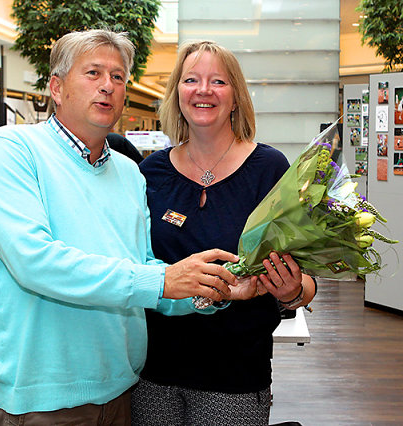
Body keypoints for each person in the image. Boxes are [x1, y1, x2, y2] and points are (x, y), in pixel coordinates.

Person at [0, 29, 240, 425]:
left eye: (118, 77)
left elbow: (145, 270)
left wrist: (215, 289)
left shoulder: (130, 173)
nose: (107, 86)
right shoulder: (12, 150)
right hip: (45, 398)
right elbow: (36, 262)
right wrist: (164, 280)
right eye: (93, 73)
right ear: (57, 88)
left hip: (123, 392)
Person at [131, 41, 317, 426]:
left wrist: (292, 291)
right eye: (191, 80)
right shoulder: (151, 173)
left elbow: (306, 276)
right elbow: (136, 266)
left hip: (234, 375)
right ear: (177, 94)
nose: (203, 90)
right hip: (152, 372)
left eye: (218, 81)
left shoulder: (268, 167)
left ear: (236, 97)